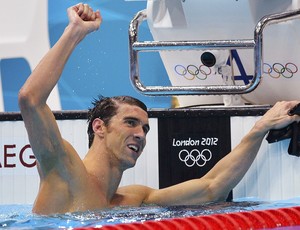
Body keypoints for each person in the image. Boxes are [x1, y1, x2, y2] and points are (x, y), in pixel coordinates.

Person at [18, 3, 300, 215]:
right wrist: (74, 33)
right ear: (99, 127)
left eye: (145, 128)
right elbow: (30, 99)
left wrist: (259, 128)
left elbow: (212, 187)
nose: (141, 134)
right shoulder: (63, 168)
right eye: (130, 123)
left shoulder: (133, 199)